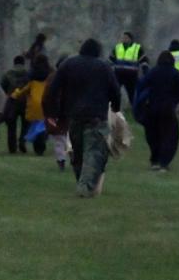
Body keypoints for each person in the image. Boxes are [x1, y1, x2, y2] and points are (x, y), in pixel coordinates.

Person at [44, 39, 121, 197]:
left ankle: (83, 181)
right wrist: (116, 107)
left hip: (74, 115)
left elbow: (53, 89)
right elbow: (115, 89)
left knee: (78, 153)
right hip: (96, 116)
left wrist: (52, 112)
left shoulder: (68, 65)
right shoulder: (104, 66)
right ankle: (85, 188)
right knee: (94, 152)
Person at [136, 52, 179, 172]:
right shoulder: (175, 73)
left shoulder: (153, 71)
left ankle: (155, 160)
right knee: (169, 136)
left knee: (153, 135)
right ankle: (164, 162)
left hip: (152, 107)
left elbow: (141, 85)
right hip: (168, 108)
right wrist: (178, 103)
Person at [10, 54, 52, 156]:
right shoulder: (49, 80)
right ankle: (41, 143)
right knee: (43, 127)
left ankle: (32, 142)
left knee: (32, 126)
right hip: (46, 106)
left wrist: (14, 94)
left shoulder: (32, 81)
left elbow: (23, 91)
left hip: (33, 107)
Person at [0, 56, 30, 154]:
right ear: (23, 63)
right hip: (25, 100)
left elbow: (3, 85)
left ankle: (12, 147)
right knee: (25, 124)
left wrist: (9, 93)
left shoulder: (8, 73)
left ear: (14, 63)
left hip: (12, 100)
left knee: (11, 125)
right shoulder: (28, 73)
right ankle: (22, 141)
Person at [110, 32, 147, 107]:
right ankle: (113, 109)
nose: (124, 39)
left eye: (126, 38)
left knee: (132, 94)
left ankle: (135, 110)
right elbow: (111, 59)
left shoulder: (137, 48)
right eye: (123, 38)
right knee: (114, 92)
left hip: (131, 76)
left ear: (130, 39)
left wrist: (145, 71)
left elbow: (144, 61)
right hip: (118, 75)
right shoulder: (117, 47)